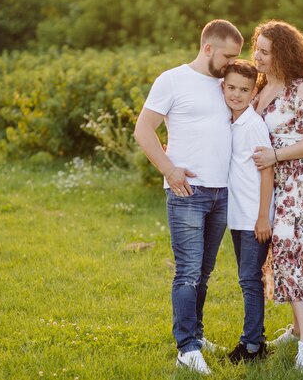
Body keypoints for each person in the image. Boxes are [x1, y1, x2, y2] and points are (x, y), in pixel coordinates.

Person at [133, 19, 243, 375]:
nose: (231, 62)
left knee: (205, 273)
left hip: (222, 193)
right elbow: (143, 129)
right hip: (187, 192)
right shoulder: (172, 80)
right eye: (227, 55)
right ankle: (187, 349)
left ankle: (196, 333)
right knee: (187, 273)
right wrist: (169, 169)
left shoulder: (227, 85)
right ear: (208, 48)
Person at [250, 20, 303, 374]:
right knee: (280, 252)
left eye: (265, 51)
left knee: (290, 250)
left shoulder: (301, 90)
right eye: (257, 48)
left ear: (282, 54)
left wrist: (276, 156)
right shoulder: (261, 87)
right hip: (269, 179)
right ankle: (298, 327)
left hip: (296, 181)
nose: (257, 56)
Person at [222, 60, 274, 364]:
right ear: (223, 87)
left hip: (255, 218)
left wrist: (263, 216)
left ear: (254, 90)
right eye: (231, 88)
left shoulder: (253, 125)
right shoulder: (230, 121)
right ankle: (255, 339)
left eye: (244, 89)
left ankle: (253, 345)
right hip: (237, 217)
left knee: (249, 280)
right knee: (248, 278)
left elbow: (267, 171)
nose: (237, 94)